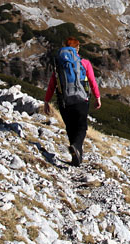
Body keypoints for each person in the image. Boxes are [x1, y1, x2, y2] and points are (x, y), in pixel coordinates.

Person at [43, 37, 101, 166]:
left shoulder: (59, 64)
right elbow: (92, 81)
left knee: (70, 127)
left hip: (64, 101)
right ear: (78, 48)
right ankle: (76, 147)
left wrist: (46, 101)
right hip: (82, 100)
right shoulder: (84, 63)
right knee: (81, 127)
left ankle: (76, 157)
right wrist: (97, 97)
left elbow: (52, 84)